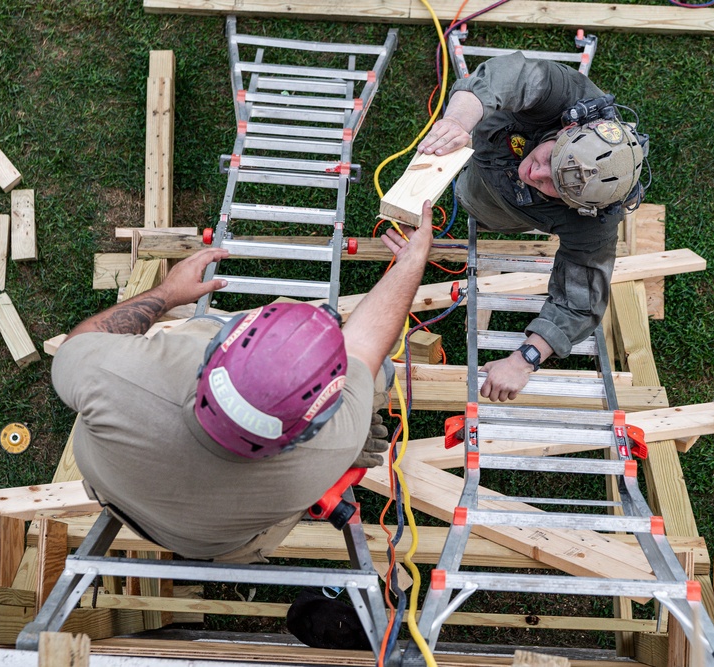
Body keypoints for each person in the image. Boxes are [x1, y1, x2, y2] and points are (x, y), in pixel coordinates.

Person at [51, 202, 434, 563]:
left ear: (217, 354)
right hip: (212, 545)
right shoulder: (330, 446)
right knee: (378, 371)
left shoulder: (117, 377)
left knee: (206, 324)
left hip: (112, 490)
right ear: (309, 427)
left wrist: (167, 293)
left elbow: (78, 343)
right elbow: (366, 344)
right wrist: (413, 260)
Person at [417, 52, 648, 402]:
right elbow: (510, 75)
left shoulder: (593, 222)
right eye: (549, 160)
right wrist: (458, 122)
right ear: (569, 128)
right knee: (471, 178)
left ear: (581, 207)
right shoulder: (570, 97)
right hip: (485, 140)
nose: (535, 174)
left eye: (555, 187)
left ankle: (475, 200)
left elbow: (579, 304)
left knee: (474, 203)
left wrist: (524, 360)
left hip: (497, 206)